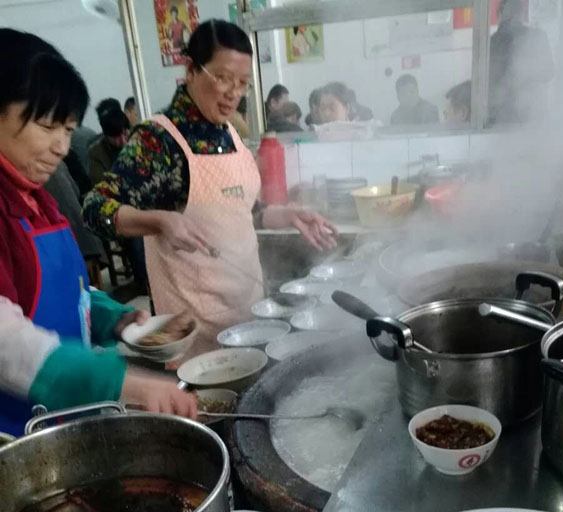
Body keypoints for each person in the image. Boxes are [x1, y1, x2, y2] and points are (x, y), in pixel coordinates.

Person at [83, 20, 336, 357]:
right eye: (223, 78)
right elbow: (95, 208)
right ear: (190, 71)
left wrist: (287, 214)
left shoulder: (228, 132)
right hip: (195, 328)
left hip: (250, 312)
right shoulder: (158, 139)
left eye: (242, 83)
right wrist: (159, 221)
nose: (233, 92)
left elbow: (240, 211)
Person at [0, 29, 196, 435]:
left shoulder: (39, 201)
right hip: (19, 437)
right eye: (47, 125)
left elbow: (69, 290)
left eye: (69, 129)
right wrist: (121, 381)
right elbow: (7, 343)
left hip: (67, 420)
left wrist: (114, 317)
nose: (61, 146)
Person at [489, 0, 554, 124]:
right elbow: (549, 72)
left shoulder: (493, 42)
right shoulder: (538, 36)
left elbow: (487, 80)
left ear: (500, 14)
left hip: (504, 116)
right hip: (535, 115)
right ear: (521, 13)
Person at [89, 107, 131, 186]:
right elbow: (101, 183)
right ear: (106, 136)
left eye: (125, 134)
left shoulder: (137, 138)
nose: (123, 141)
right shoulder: (96, 154)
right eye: (116, 137)